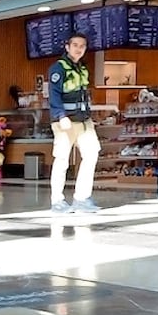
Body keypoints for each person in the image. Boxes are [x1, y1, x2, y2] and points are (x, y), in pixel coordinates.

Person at [49, 33, 100, 213]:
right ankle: (57, 201)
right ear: (67, 46)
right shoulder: (58, 68)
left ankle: (82, 198)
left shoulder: (82, 68)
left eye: (82, 46)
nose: (79, 49)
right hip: (65, 121)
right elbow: (54, 94)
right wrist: (60, 115)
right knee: (62, 159)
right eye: (75, 45)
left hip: (84, 121)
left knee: (92, 154)